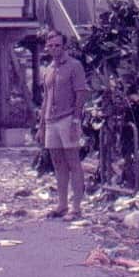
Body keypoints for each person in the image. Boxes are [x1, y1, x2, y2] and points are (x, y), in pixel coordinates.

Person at [36, 30, 88, 220]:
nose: (54, 48)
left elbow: (81, 94)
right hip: (50, 120)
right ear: (47, 47)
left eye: (58, 45)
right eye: (51, 45)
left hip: (68, 119)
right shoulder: (48, 69)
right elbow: (45, 98)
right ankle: (62, 204)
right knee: (58, 164)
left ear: (64, 46)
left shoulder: (75, 66)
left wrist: (76, 120)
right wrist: (41, 126)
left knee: (73, 162)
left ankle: (76, 207)